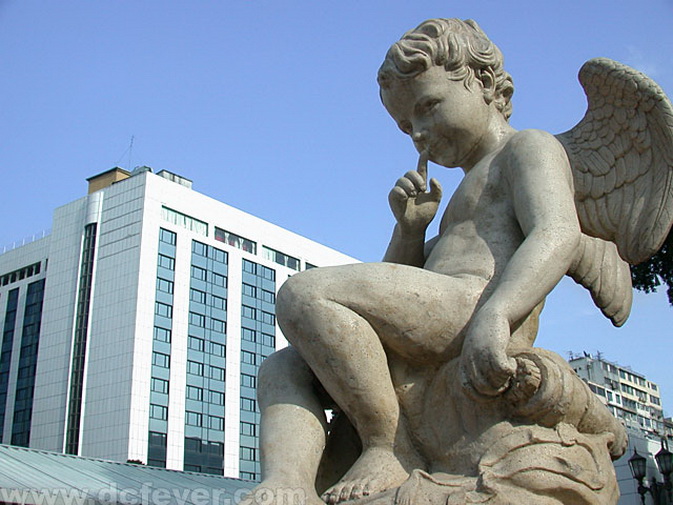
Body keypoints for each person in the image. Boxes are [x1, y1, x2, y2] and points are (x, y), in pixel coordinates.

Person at [244, 18, 611, 505]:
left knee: (303, 293)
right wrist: (411, 230)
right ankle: (290, 482)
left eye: (428, 106)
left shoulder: (528, 147)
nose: (418, 133)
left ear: (482, 83)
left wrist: (498, 315)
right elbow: (401, 284)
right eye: (405, 125)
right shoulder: (461, 191)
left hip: (474, 306)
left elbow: (558, 232)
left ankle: (389, 445)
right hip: (438, 318)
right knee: (283, 367)